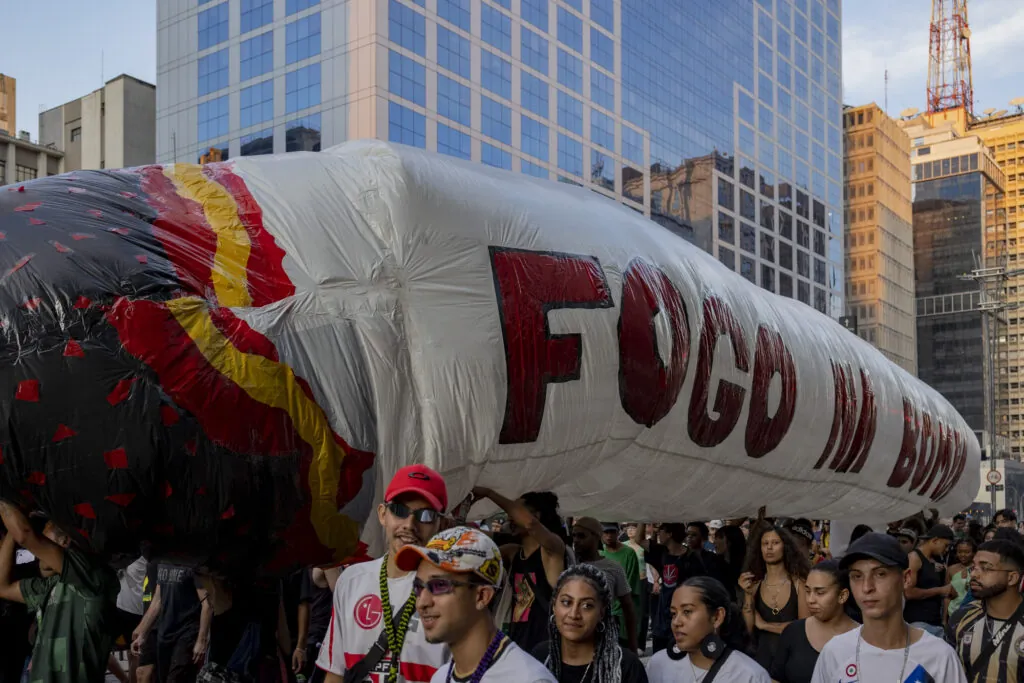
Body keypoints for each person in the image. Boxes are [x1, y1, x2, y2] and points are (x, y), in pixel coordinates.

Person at [316, 464, 450, 683]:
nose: (409, 524)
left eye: (425, 515)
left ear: (441, 525)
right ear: (382, 514)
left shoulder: (454, 592)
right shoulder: (351, 581)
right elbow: (336, 672)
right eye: (399, 510)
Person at [395, 526, 556, 683]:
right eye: (418, 587)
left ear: (482, 596)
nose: (422, 603)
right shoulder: (441, 677)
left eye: (439, 586)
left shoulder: (528, 679)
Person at [810, 533, 966, 683]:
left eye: (880, 574)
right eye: (857, 576)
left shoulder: (939, 656)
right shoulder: (835, 653)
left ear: (906, 578)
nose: (867, 587)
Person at [0, 502, 121, 683]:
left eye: (44, 542)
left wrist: (7, 498)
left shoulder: (92, 579)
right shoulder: (50, 586)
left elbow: (25, 535)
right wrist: (11, 534)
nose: (36, 553)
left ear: (64, 542)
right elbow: (3, 587)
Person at [471, 488, 568, 653]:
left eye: (515, 512)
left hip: (546, 646)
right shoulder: (513, 552)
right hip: (514, 642)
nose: (510, 517)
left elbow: (530, 524)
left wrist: (490, 493)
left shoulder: (552, 550)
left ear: (536, 516)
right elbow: (475, 537)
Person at [532, 564, 648, 683]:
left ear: (601, 613)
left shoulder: (626, 667)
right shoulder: (540, 657)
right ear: (554, 606)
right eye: (566, 602)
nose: (573, 614)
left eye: (587, 606)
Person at [645, 576, 768, 683]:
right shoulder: (658, 664)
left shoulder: (749, 676)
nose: (676, 622)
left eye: (687, 611)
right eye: (673, 613)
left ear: (717, 617)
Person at [946, 539, 1024, 681]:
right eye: (973, 568)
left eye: (986, 568)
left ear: (1012, 578)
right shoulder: (961, 618)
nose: (974, 575)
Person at [770, 560, 857, 683]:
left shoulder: (863, 638)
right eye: (808, 591)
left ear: (842, 596)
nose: (810, 600)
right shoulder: (793, 632)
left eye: (820, 593)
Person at [739, 524, 809, 671]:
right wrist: (747, 594)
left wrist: (765, 625)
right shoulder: (755, 585)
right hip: (760, 662)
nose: (769, 548)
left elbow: (804, 628)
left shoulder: (799, 584)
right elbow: (748, 628)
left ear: (785, 547)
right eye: (765, 543)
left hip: (791, 662)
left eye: (775, 543)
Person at [570, 518, 638, 653]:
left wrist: (633, 647)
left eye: (582, 536)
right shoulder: (569, 564)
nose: (576, 540)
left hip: (605, 640)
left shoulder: (613, 568)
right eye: (574, 536)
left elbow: (628, 608)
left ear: (596, 537)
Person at [904, 524, 956, 637]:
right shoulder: (914, 558)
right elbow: (908, 592)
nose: (947, 550)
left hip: (935, 622)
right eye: (946, 545)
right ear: (935, 540)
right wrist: (940, 590)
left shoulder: (936, 560)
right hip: (918, 622)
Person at [599, 523, 642, 653]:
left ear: (618, 533)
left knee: (624, 649)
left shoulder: (629, 553)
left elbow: (630, 585)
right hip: (603, 611)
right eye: (605, 532)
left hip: (622, 611)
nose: (608, 535)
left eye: (611, 532)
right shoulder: (599, 553)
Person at [647, 523, 687, 654]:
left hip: (683, 615)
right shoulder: (661, 554)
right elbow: (639, 541)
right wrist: (647, 520)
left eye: (661, 530)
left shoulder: (690, 558)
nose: (659, 533)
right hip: (663, 618)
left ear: (670, 534)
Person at [945, 538, 976, 619]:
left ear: (973, 553)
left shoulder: (977, 569)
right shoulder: (951, 569)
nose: (963, 555)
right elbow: (947, 595)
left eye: (967, 552)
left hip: (972, 611)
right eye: (959, 552)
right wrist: (944, 620)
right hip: (953, 611)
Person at [714, 525, 746, 602]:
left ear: (730, 541)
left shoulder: (746, 565)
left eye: (720, 537)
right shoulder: (716, 564)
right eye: (715, 538)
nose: (715, 541)